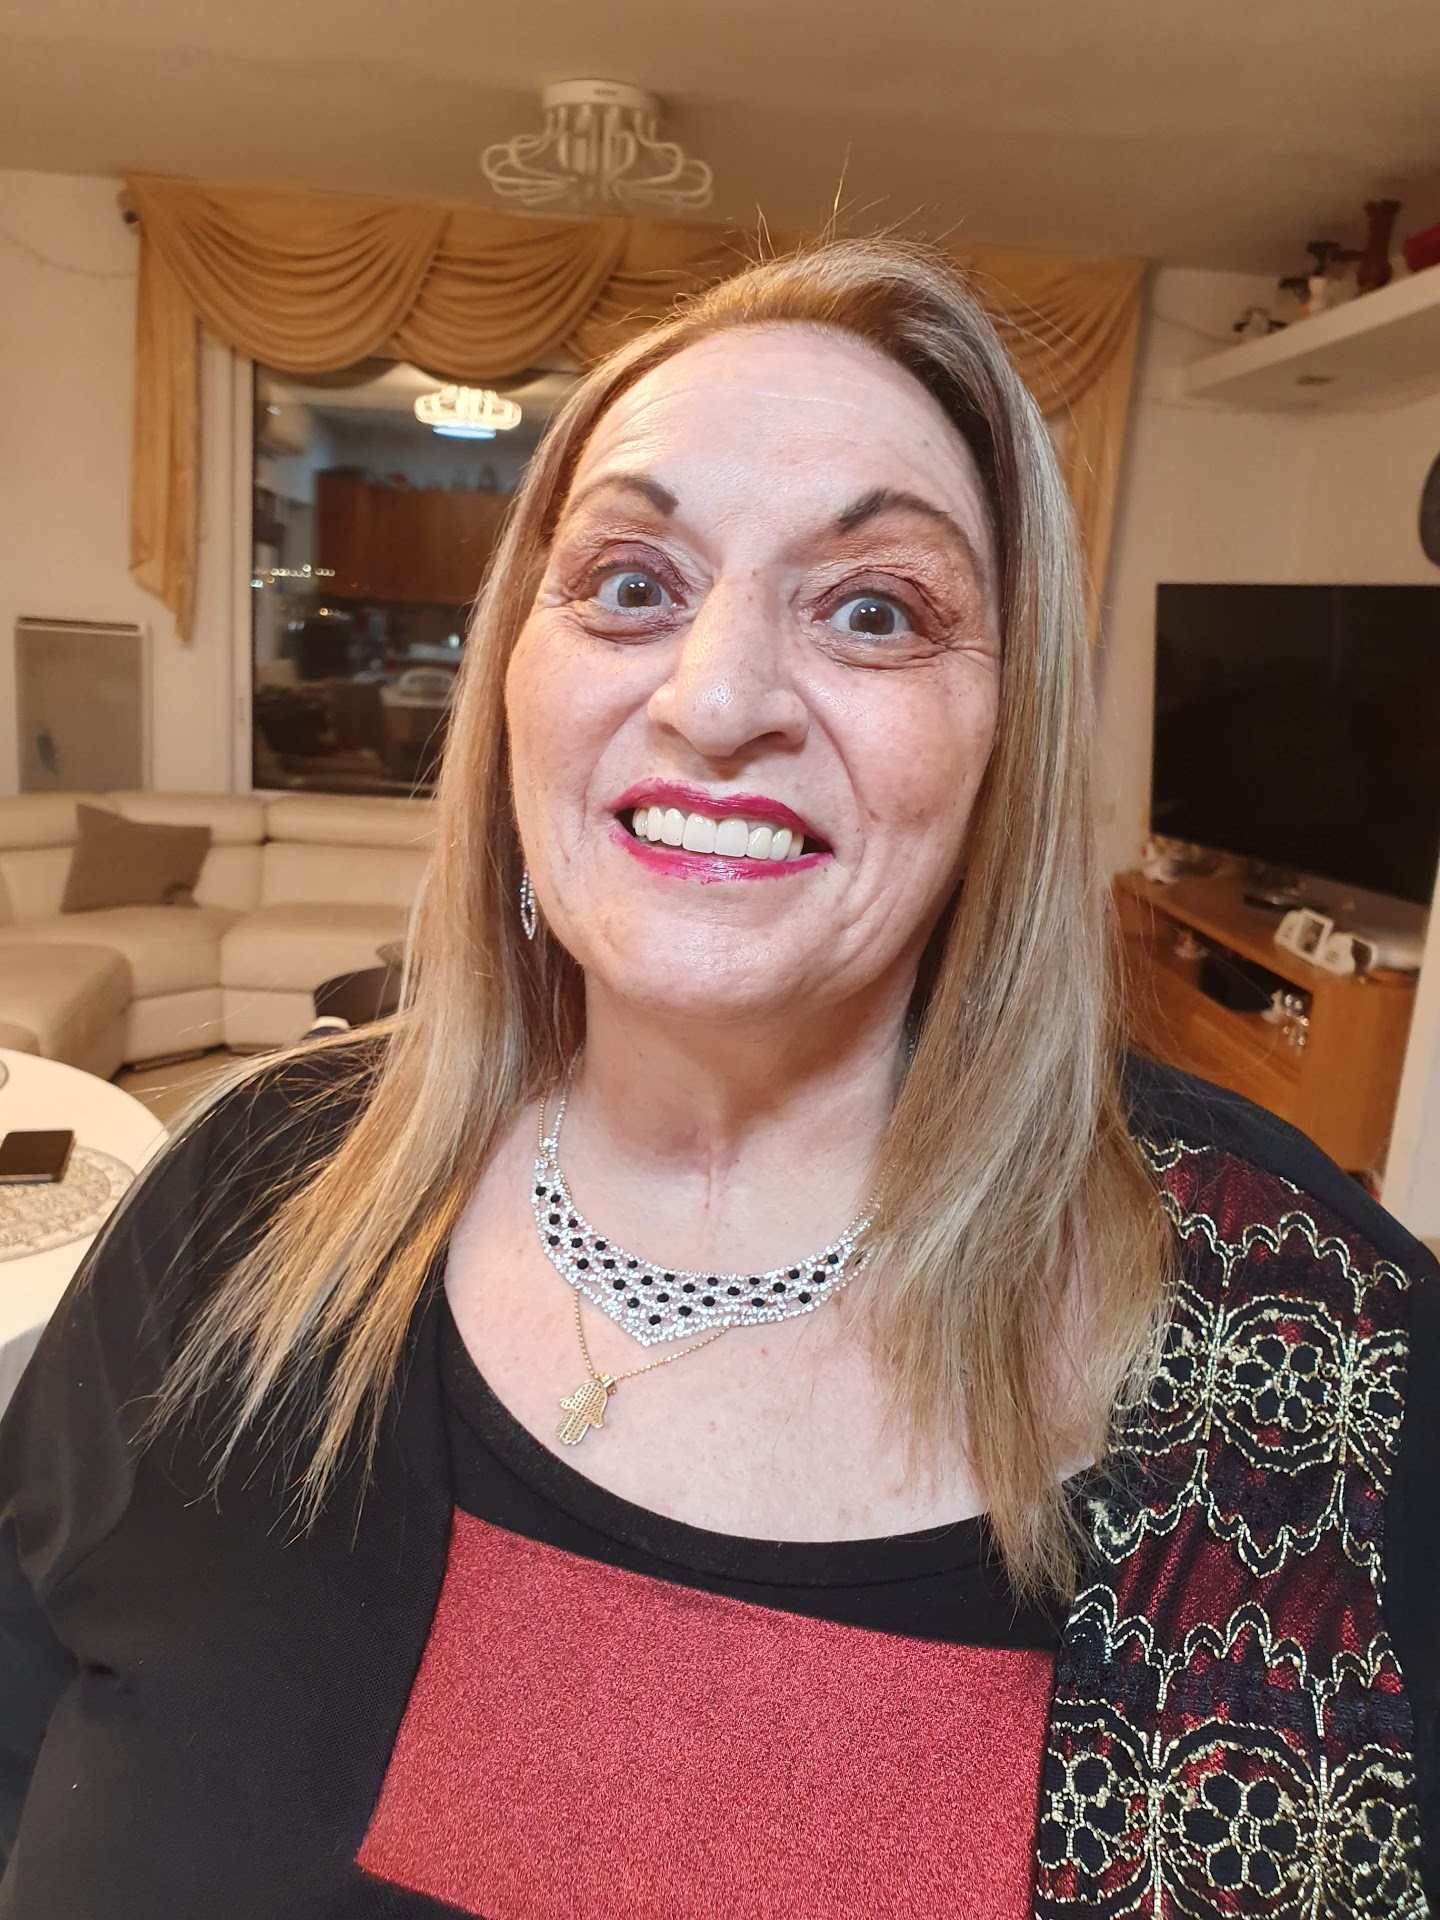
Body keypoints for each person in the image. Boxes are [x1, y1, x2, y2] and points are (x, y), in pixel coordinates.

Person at [1, 239, 1434, 1919]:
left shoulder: (1319, 1337)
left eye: (876, 610)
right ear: (514, 674)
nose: (719, 698)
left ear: (1009, 740)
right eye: (630, 584)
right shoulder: (251, 1187)